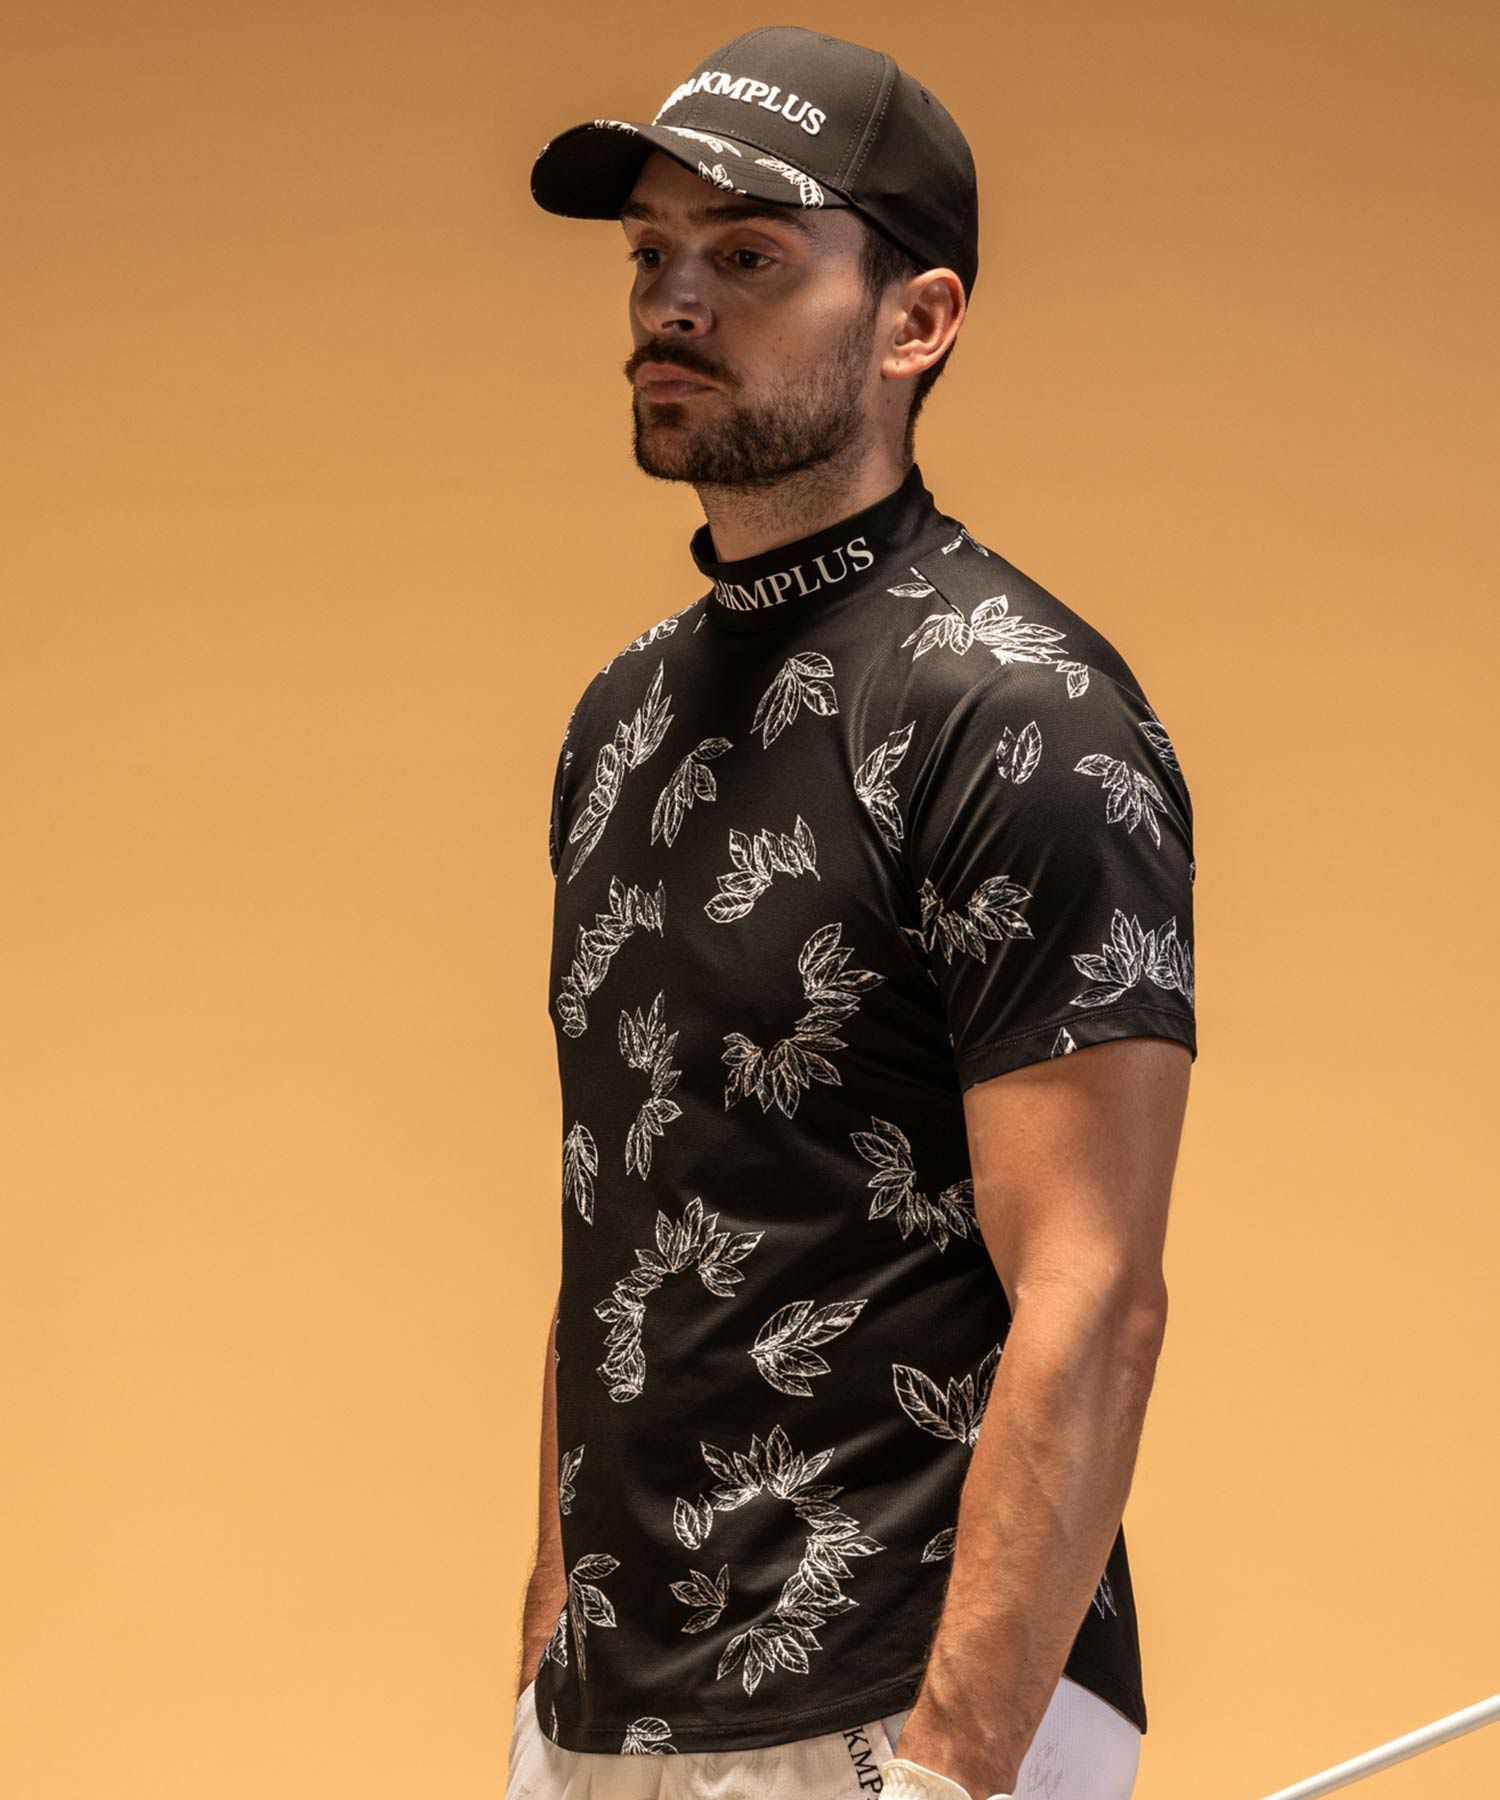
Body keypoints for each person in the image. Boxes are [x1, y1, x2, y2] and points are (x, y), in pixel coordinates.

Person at [510, 24, 1197, 1800]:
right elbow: (626, 1214)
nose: (674, 302)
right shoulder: (620, 720)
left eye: (749, 256)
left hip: (900, 1705)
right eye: (652, 254)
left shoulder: (1020, 710)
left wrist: (953, 1769)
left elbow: (1094, 1291)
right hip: (612, 1716)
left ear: (918, 320)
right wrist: (547, 1667)